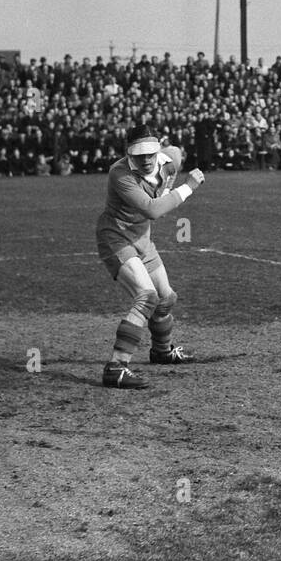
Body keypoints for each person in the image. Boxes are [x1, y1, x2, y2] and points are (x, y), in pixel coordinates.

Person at [95, 124, 205, 390]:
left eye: (150, 153)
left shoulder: (170, 161)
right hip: (116, 238)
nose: (145, 160)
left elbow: (174, 160)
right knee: (147, 296)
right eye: (138, 154)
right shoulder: (119, 174)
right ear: (128, 153)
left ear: (158, 149)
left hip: (143, 239)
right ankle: (116, 366)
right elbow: (152, 210)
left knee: (166, 297)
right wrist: (188, 186)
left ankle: (161, 351)